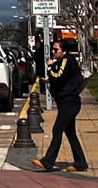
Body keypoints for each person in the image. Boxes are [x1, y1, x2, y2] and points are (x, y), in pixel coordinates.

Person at [32, 40, 88, 173]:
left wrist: (50, 67)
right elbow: (61, 78)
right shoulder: (65, 61)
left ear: (64, 51)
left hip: (69, 103)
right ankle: (80, 162)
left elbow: (58, 76)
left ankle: (48, 161)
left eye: (56, 50)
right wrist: (49, 78)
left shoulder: (66, 60)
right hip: (66, 102)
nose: (53, 52)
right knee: (70, 133)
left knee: (57, 130)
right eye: (52, 49)